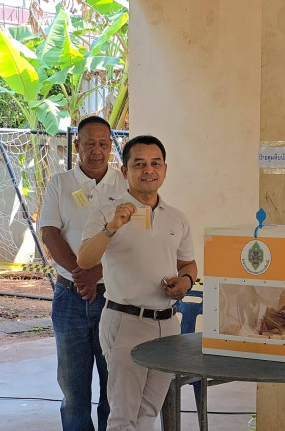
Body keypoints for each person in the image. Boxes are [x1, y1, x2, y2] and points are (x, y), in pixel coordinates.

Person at [77, 135, 197, 431]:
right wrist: (112, 228)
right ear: (125, 170)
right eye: (139, 164)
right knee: (123, 416)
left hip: (168, 324)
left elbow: (188, 264)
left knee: (149, 411)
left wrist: (185, 281)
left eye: (155, 163)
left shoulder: (177, 218)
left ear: (165, 169)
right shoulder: (108, 213)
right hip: (126, 322)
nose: (148, 170)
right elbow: (85, 260)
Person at [39, 116, 127, 430]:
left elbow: (132, 242)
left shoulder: (125, 184)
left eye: (103, 144)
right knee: (73, 391)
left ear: (111, 146)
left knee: (113, 388)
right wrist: (82, 274)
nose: (97, 151)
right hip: (69, 296)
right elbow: (49, 232)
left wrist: (98, 272)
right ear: (77, 145)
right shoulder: (60, 184)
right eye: (90, 143)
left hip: (115, 298)